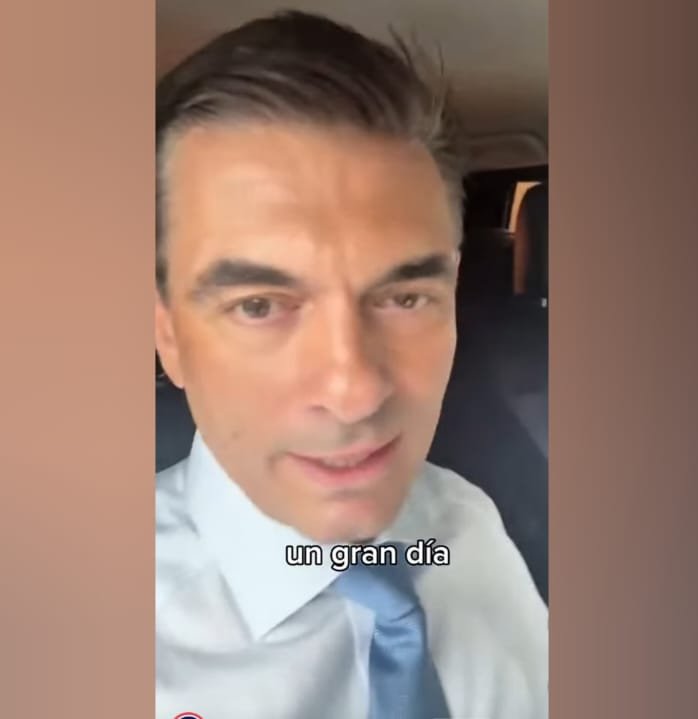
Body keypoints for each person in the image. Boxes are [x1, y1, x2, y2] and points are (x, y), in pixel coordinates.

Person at [154, 11, 548, 718]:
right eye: (259, 306)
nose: (355, 392)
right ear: (168, 335)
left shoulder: (467, 522)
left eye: (404, 297)